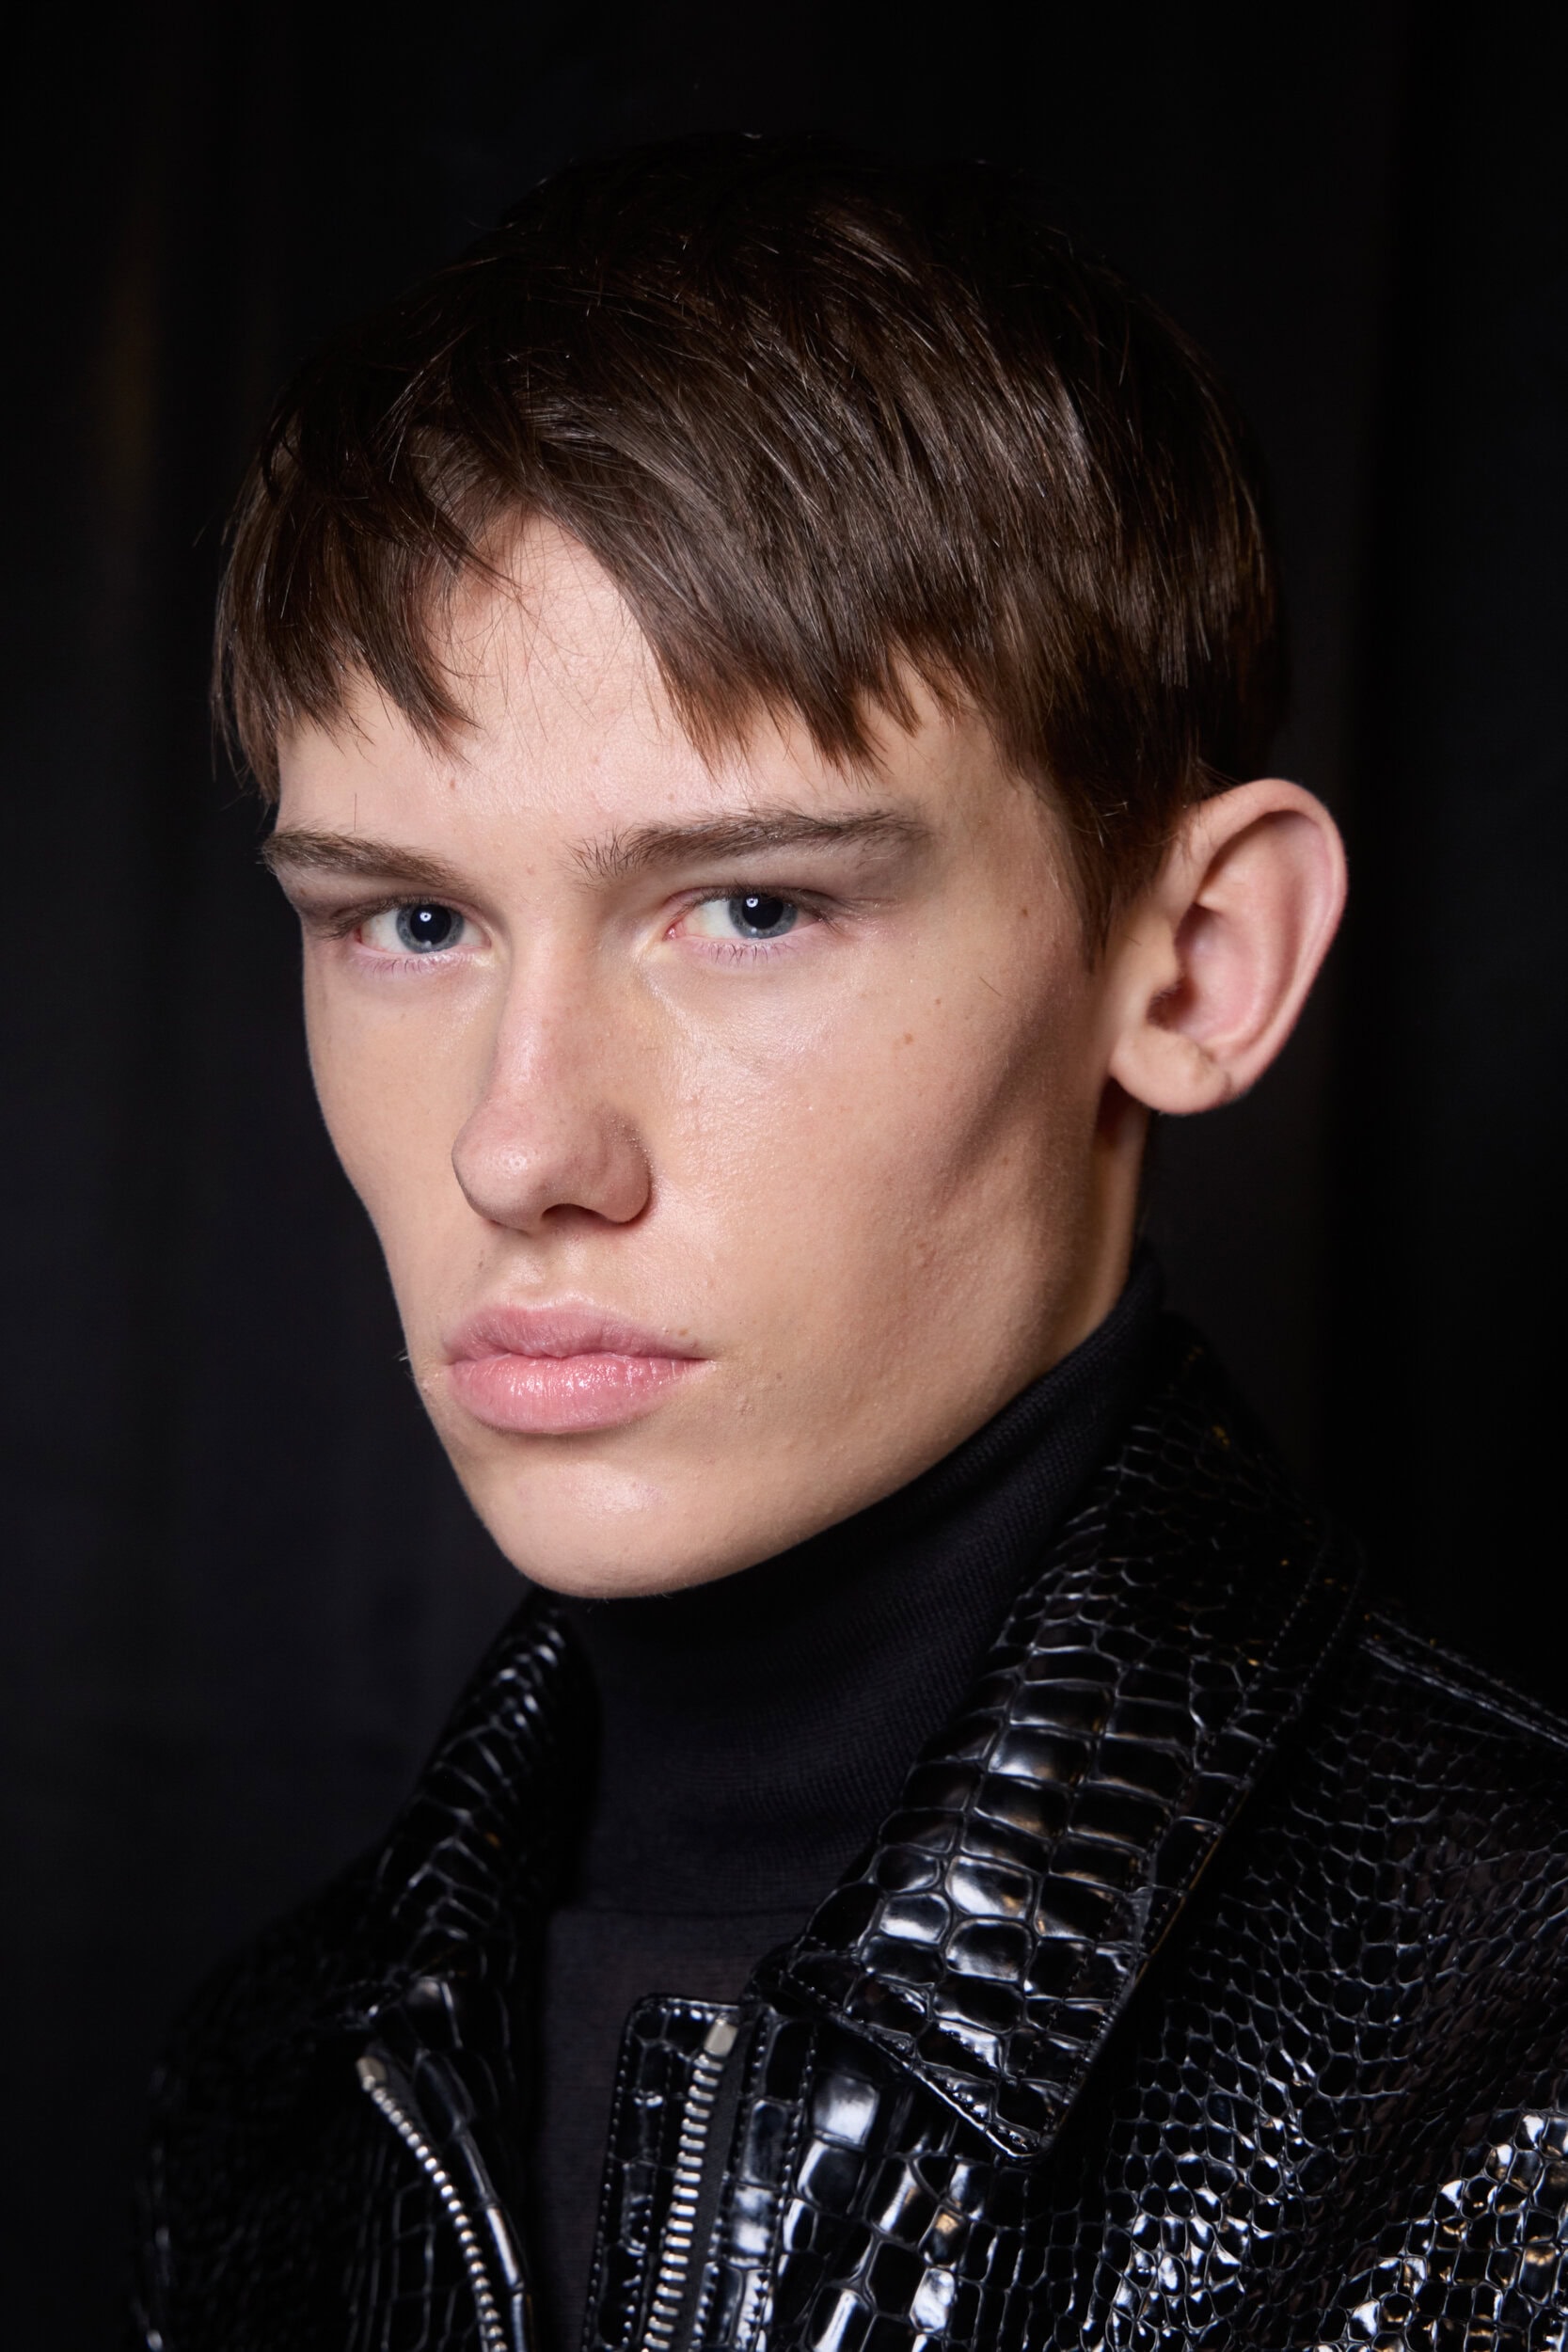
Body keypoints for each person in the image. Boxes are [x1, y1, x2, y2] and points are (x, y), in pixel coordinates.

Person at [132, 136, 1568, 2352]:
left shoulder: (1518, 2068)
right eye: (409, 921)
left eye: (752, 905)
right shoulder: (270, 2083)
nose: (522, 1147)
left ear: (1197, 960)